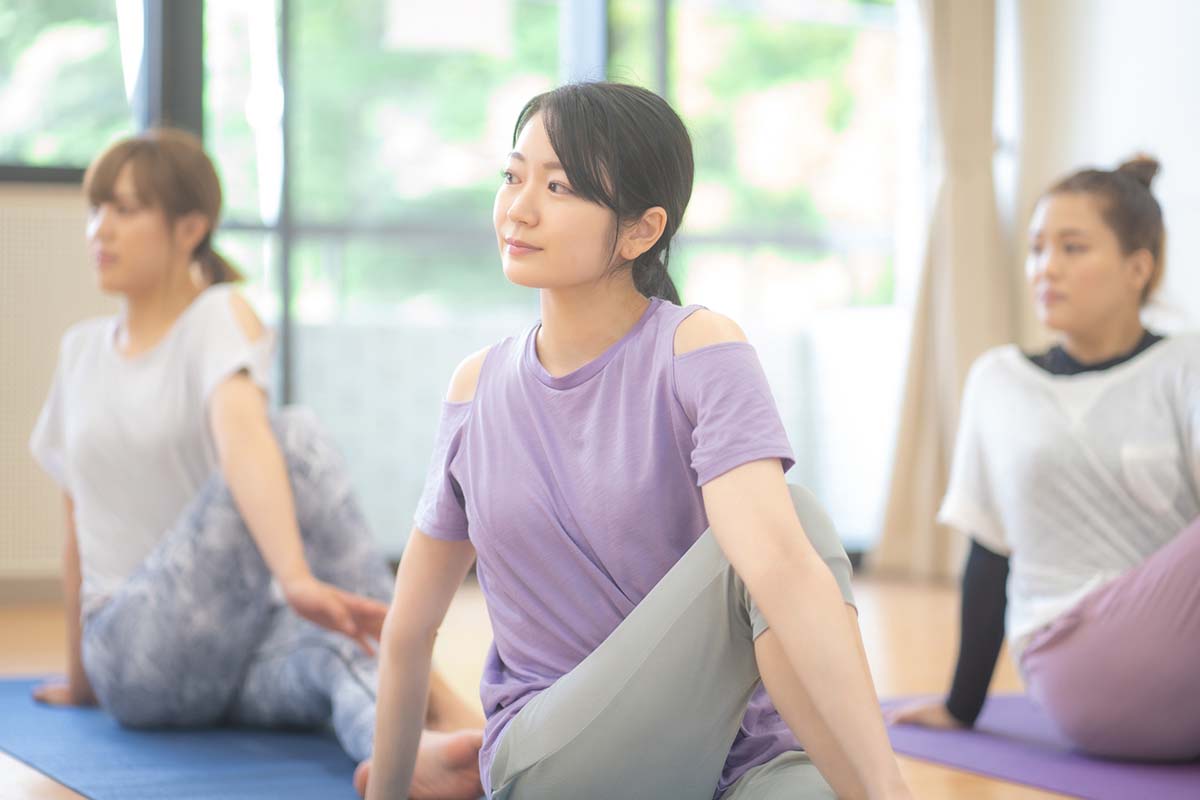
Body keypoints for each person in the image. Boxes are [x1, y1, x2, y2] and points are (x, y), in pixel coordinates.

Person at [363, 82, 912, 799]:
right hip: (563, 759)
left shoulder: (698, 349)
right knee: (793, 519)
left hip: (745, 758)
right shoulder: (475, 390)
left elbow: (779, 573)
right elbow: (408, 635)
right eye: (513, 175)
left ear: (639, 230)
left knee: (784, 539)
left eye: (558, 186)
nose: (519, 207)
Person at [29, 128, 484, 799]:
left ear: (191, 228)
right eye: (97, 209)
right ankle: (433, 687)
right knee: (293, 434)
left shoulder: (214, 316)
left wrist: (298, 591)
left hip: (226, 655)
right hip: (133, 652)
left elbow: (241, 434)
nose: (100, 229)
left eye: (125, 210)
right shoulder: (81, 351)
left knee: (336, 649)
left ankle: (406, 753)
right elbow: (78, 519)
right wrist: (80, 676)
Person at [888, 157, 1200, 761]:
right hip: (1075, 654)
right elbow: (989, 548)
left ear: (1140, 268)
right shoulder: (1000, 380)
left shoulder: (1184, 364)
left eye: (1072, 248)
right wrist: (961, 705)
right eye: (1036, 249)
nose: (1045, 268)